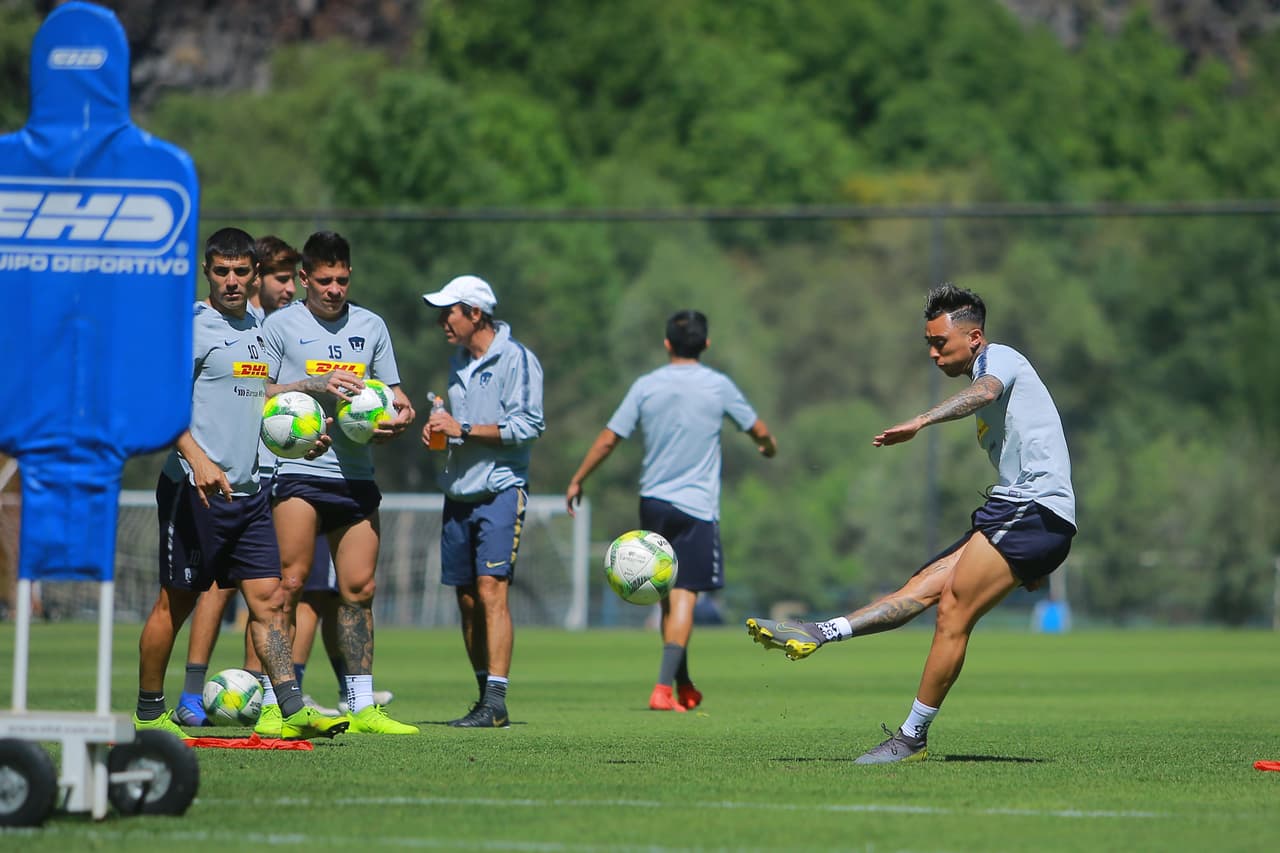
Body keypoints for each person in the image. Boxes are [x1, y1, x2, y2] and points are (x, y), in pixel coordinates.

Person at [745, 282, 1077, 764]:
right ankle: (820, 632)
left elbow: (985, 392)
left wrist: (921, 421)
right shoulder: (988, 373)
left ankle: (911, 737)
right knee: (918, 590)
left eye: (940, 343)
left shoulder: (999, 359)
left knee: (952, 612)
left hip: (1033, 511)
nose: (933, 354)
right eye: (928, 343)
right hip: (1018, 516)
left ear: (975, 337)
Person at [133, 227, 346, 741]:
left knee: (270, 600)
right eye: (222, 271)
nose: (231, 280)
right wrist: (196, 459)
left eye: (241, 272)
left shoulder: (258, 326)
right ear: (207, 272)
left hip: (249, 492)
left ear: (254, 276)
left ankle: (290, 706)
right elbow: (156, 405)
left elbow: (257, 392)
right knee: (176, 603)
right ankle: (149, 714)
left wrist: (301, 429)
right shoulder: (189, 327)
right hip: (194, 490)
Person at [566, 310, 777, 712]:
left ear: (667, 344)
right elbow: (760, 431)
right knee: (683, 598)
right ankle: (662, 688)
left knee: (665, 595)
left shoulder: (646, 385)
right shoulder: (718, 385)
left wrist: (579, 478)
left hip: (654, 503)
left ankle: (682, 683)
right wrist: (767, 448)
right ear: (706, 344)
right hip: (696, 507)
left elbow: (609, 438)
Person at [260, 229, 418, 735]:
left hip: (355, 474)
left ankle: (362, 705)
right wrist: (313, 384)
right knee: (288, 586)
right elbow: (257, 390)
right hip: (297, 471)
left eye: (342, 280)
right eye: (325, 280)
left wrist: (400, 416)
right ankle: (275, 704)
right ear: (305, 277)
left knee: (359, 588)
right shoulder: (279, 325)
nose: (334, 290)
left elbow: (393, 394)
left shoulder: (371, 326)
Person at [421, 275, 544, 728]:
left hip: (501, 490)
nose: (442, 321)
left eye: (448, 312)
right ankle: (482, 699)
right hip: (458, 492)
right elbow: (459, 425)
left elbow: (529, 426)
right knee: (468, 599)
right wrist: (439, 427)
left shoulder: (518, 359)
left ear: (475, 314)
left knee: (492, 589)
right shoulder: (458, 360)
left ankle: (497, 701)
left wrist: (464, 429)